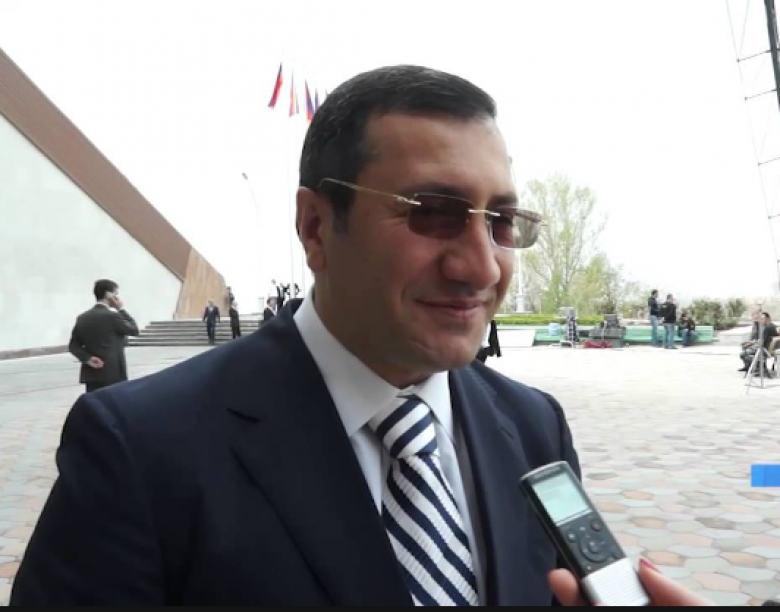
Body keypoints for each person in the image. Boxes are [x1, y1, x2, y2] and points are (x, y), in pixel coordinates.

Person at [12, 65, 706, 607]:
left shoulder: (532, 425)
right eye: (432, 212)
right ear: (316, 227)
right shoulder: (140, 448)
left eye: (501, 222)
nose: (482, 267)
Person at [67, 279, 139, 393]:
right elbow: (134, 330)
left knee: (95, 402)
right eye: (116, 294)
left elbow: (73, 345)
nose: (118, 298)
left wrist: (87, 358)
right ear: (108, 295)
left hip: (91, 373)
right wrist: (121, 309)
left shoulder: (82, 317)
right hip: (114, 373)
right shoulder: (113, 316)